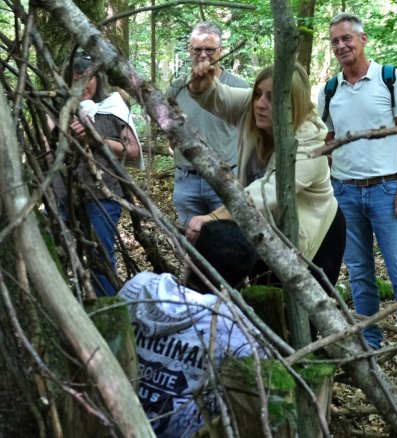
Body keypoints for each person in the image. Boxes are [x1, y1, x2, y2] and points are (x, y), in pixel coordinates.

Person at [317, 12, 397, 374]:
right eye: (334, 41)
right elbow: (325, 140)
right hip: (345, 192)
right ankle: (371, 342)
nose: (341, 46)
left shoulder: (390, 79)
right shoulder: (331, 89)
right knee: (359, 272)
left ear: (363, 40)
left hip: (387, 189)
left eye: (347, 38)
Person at [183, 62, 346, 290]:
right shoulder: (253, 108)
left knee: (299, 317)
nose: (260, 103)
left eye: (271, 97)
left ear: (293, 104)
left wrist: (215, 216)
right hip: (263, 230)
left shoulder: (310, 143)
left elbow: (267, 192)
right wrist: (202, 86)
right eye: (258, 93)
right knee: (261, 303)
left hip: (316, 238)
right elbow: (220, 96)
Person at [118, 220, 260, 437]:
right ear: (241, 279)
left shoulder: (138, 287)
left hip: (115, 421)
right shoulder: (238, 330)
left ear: (189, 256)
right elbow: (260, 397)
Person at [53, 53, 144, 297]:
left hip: (102, 195)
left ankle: (108, 317)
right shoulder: (58, 108)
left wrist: (96, 139)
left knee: (100, 258)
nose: (83, 84)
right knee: (57, 252)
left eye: (87, 78)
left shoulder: (112, 106)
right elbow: (48, 152)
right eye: (75, 79)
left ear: (97, 78)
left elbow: (133, 152)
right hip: (63, 192)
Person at [166, 22, 248, 226]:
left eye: (210, 49)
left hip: (225, 179)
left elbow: (250, 136)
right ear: (189, 50)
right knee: (191, 244)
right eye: (198, 49)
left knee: (226, 244)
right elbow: (171, 134)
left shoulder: (238, 87)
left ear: (221, 51)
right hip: (187, 180)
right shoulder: (176, 88)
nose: (203, 55)